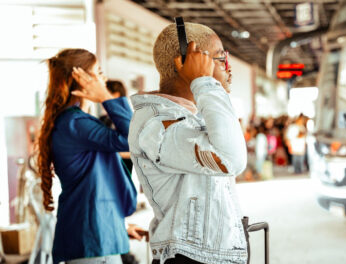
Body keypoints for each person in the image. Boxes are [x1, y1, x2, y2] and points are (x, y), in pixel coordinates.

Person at [128, 22, 248, 264]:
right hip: (188, 259)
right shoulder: (157, 125)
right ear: (188, 61)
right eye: (221, 58)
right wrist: (204, 82)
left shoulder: (191, 117)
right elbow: (232, 158)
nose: (229, 68)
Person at [36, 48, 145, 264]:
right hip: (94, 246)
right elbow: (135, 139)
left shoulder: (74, 122)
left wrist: (118, 227)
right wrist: (105, 97)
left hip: (95, 239)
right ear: (82, 80)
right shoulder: (75, 123)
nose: (102, 79)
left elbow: (93, 187)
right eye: (98, 72)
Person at [99, 80, 133, 173]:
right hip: (106, 169)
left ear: (116, 95)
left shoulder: (129, 119)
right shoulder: (103, 119)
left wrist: (114, 153)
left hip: (123, 169)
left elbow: (136, 150)